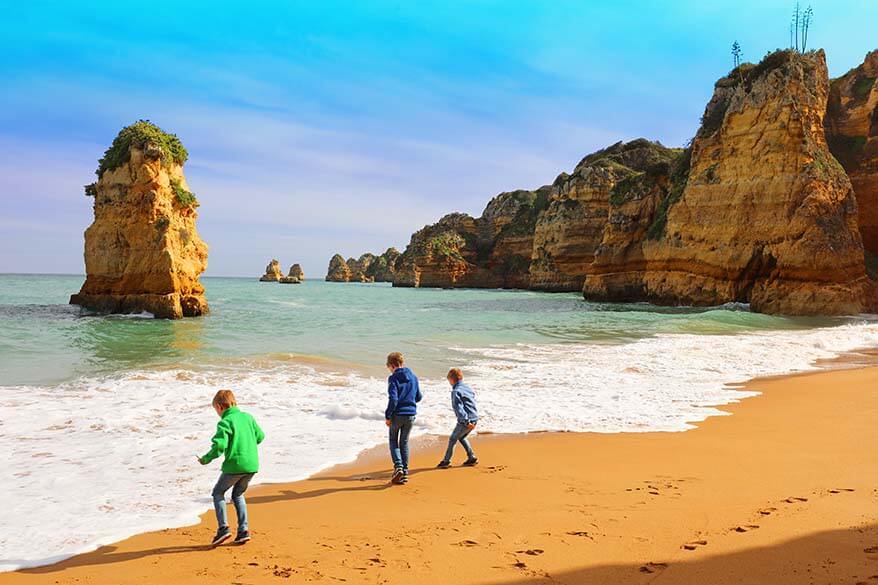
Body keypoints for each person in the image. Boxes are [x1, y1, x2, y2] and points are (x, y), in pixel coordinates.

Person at [198, 389, 265, 546]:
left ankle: (223, 528)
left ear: (220, 407)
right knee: (238, 495)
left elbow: (220, 446)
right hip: (252, 465)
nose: (217, 414)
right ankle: (243, 530)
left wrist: (206, 458)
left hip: (234, 465)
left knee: (218, 493)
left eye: (216, 410)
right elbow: (260, 436)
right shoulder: (248, 417)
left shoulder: (225, 422)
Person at [384, 352, 422, 484]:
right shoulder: (414, 377)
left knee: (393, 440)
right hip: (411, 414)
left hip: (398, 415)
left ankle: (398, 467)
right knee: (404, 442)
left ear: (392, 365)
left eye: (388, 366)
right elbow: (418, 397)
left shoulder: (393, 378)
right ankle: (404, 472)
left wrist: (388, 416)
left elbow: (393, 399)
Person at [437, 368, 479, 468]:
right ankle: (471, 457)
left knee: (453, 439)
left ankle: (446, 461)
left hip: (466, 419)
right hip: (474, 417)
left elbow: (459, 409)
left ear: (452, 380)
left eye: (449, 381)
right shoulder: (467, 388)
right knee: (462, 437)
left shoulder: (456, 391)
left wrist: (466, 421)